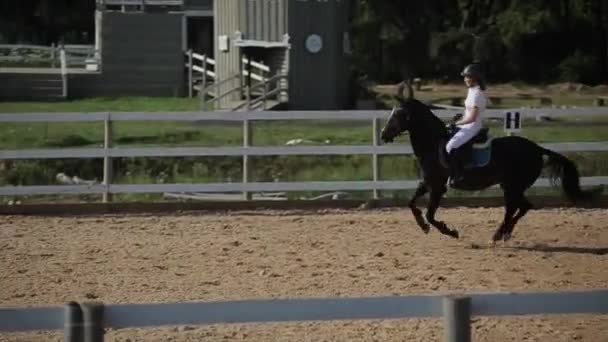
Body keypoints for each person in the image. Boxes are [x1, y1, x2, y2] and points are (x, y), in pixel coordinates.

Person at [446, 63, 487, 184]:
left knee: (451, 146)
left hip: (472, 126)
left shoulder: (478, 94)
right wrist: (460, 118)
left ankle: (458, 175)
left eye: (467, 77)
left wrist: (457, 123)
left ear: (474, 78)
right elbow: (468, 112)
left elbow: (473, 117)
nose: (464, 79)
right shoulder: (471, 91)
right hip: (466, 124)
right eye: (464, 77)